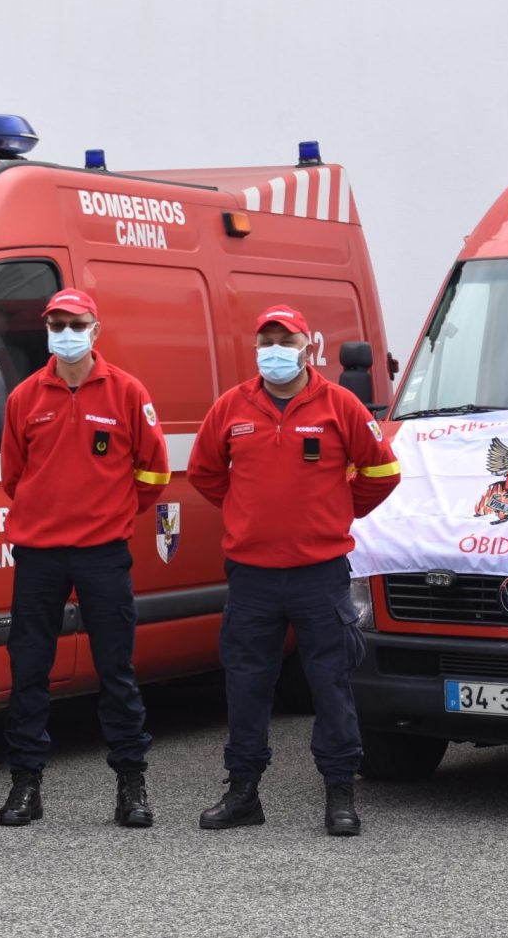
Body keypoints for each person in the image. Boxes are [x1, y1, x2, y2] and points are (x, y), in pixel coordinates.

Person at [187, 305, 401, 837]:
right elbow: (205, 473)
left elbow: (382, 471)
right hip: (252, 575)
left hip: (318, 573)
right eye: (266, 341)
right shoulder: (231, 406)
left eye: (286, 340)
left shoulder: (340, 405)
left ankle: (340, 794)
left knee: (330, 683)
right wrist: (247, 511)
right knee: (246, 684)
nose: (275, 350)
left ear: (308, 347)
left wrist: (337, 511)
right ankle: (242, 793)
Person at [0, 288, 170, 827]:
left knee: (116, 670)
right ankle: (25, 785)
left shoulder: (127, 392)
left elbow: (154, 472)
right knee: (29, 670)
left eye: (76, 324)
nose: (66, 333)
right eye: (57, 324)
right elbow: (13, 476)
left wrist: (110, 513)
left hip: (102, 554)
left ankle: (131, 785)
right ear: (46, 330)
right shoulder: (24, 396)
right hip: (39, 554)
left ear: (96, 330)